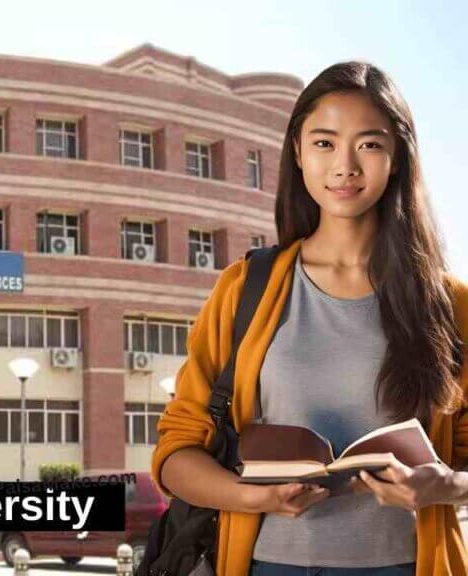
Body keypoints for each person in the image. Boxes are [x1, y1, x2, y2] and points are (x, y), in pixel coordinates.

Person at [151, 61, 468, 576]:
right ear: (298, 152)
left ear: (398, 158)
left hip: (407, 564)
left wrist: (442, 486)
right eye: (324, 143)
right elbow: (176, 451)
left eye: (369, 144)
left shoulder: (449, 304)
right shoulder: (243, 289)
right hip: (267, 563)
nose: (345, 166)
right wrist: (252, 498)